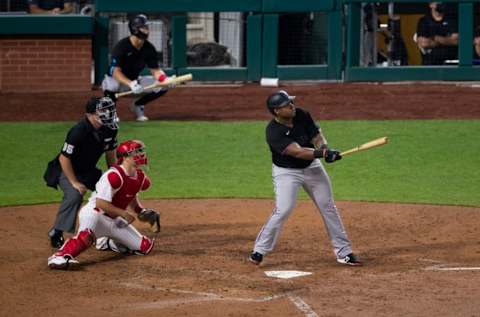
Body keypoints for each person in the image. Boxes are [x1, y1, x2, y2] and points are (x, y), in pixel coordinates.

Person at [248, 90, 362, 266]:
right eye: (287, 105)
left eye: (291, 102)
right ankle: (259, 250)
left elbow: (316, 136)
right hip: (286, 172)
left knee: (328, 207)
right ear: (276, 111)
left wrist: (325, 148)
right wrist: (324, 153)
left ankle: (344, 252)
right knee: (283, 209)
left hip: (312, 167)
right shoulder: (273, 132)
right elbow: (298, 152)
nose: (292, 106)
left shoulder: (301, 114)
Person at [47, 140, 159, 269]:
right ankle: (60, 256)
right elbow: (101, 203)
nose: (141, 154)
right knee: (86, 237)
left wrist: (141, 211)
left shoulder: (140, 177)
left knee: (144, 247)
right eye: (136, 152)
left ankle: (106, 242)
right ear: (125, 157)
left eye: (141, 151)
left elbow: (130, 194)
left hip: (114, 219)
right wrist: (123, 213)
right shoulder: (113, 176)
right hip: (95, 214)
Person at [44, 96, 119, 249]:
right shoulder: (78, 131)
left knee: (111, 190)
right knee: (75, 194)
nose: (107, 114)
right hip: (66, 169)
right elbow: (64, 158)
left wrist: (116, 175)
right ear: (90, 114)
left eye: (108, 110)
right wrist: (74, 182)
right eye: (102, 111)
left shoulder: (110, 129)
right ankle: (57, 231)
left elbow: (111, 154)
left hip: (89, 171)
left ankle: (108, 230)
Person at [102, 14, 171, 122]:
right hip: (118, 81)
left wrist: (164, 79)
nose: (147, 30)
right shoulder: (122, 46)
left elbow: (155, 70)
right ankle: (110, 113)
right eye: (144, 27)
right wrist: (130, 83)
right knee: (112, 85)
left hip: (135, 81)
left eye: (147, 27)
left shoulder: (149, 48)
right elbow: (115, 72)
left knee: (163, 86)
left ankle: (138, 105)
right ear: (135, 29)